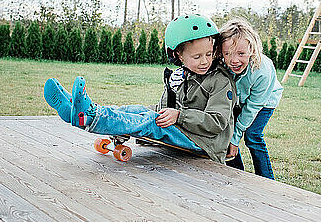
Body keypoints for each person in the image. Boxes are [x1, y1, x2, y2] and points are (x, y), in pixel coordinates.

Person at [43, 14, 237, 163]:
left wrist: (179, 116)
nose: (205, 61)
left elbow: (217, 122)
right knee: (137, 110)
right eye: (197, 57)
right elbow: (165, 109)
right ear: (179, 56)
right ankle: (75, 112)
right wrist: (165, 113)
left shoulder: (220, 81)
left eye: (209, 54)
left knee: (151, 121)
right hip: (186, 130)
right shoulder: (182, 76)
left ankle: (90, 118)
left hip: (205, 143)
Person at [219, 18, 283, 179]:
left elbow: (253, 107)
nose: (234, 60)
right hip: (238, 99)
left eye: (241, 54)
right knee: (227, 132)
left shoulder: (263, 70)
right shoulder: (222, 63)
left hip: (264, 101)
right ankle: (237, 176)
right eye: (228, 54)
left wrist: (235, 139)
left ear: (252, 49)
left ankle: (267, 180)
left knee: (252, 135)